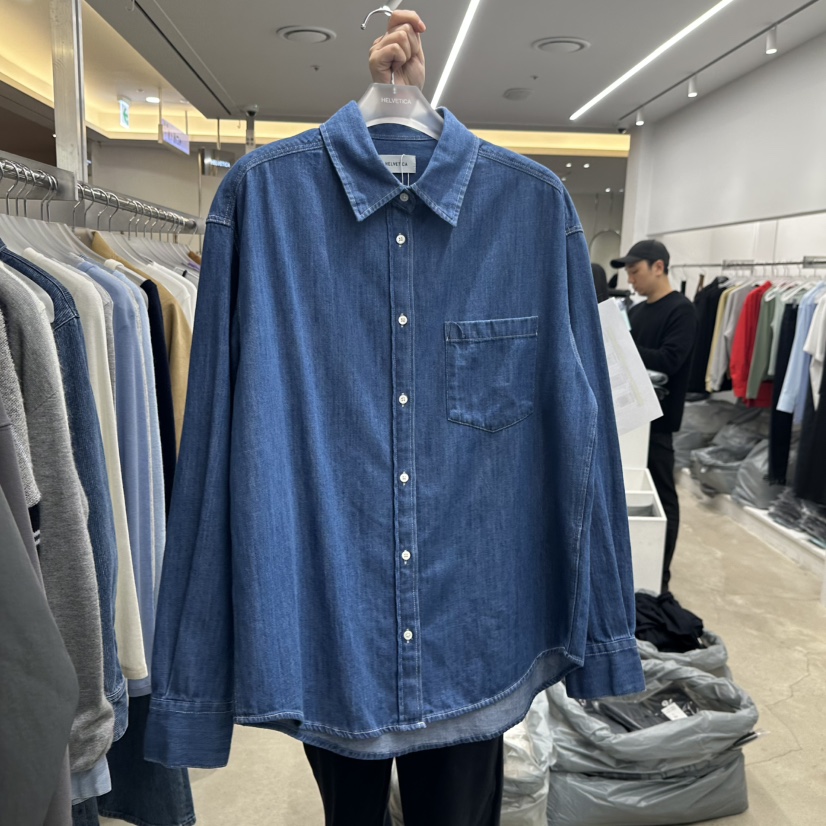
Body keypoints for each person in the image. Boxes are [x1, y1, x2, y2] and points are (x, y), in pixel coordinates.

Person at [611, 240, 697, 594]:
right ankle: (635, 569)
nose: (630, 280)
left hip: (658, 424)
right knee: (632, 493)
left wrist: (623, 346)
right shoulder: (638, 311)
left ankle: (659, 575)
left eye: (635, 271)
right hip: (631, 423)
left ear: (658, 267)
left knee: (661, 498)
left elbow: (669, 360)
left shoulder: (682, 310)